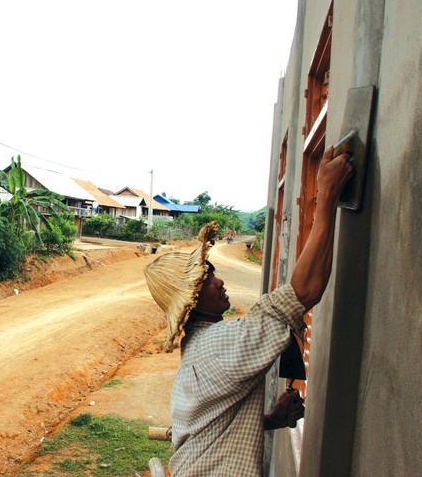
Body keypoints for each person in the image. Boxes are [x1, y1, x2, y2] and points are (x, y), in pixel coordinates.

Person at [143, 145, 352, 476]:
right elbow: (305, 292)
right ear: (193, 300)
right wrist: (326, 196)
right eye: (208, 278)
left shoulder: (197, 347)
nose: (220, 281)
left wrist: (271, 420)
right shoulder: (218, 344)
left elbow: (209, 427)